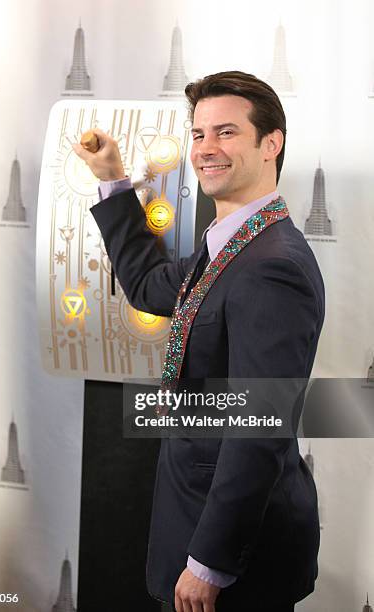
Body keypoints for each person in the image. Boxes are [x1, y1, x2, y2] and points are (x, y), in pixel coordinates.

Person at [73, 71, 325, 612]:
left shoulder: (273, 266)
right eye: (199, 134)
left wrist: (210, 562)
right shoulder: (229, 248)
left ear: (271, 143)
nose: (206, 149)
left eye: (227, 132)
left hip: (236, 560)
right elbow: (146, 285)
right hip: (191, 522)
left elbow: (259, 426)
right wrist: (113, 179)